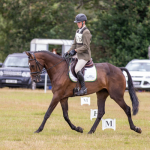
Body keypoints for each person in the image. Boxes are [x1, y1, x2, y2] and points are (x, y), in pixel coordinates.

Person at [64, 13, 92, 96]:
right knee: (66, 63)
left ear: (83, 22)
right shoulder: (77, 31)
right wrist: (68, 52)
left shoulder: (86, 32)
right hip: (77, 54)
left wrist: (75, 51)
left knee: (76, 69)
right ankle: (73, 86)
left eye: (79, 22)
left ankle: (84, 88)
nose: (77, 24)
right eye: (77, 22)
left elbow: (86, 47)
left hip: (84, 55)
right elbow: (74, 44)